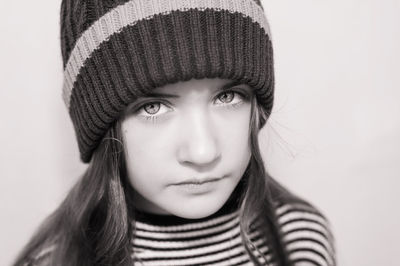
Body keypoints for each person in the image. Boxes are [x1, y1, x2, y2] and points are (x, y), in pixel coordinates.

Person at [13, 0, 336, 265]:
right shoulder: (55, 260)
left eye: (228, 97)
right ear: (101, 124)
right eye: (153, 107)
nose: (203, 151)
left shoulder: (298, 240)